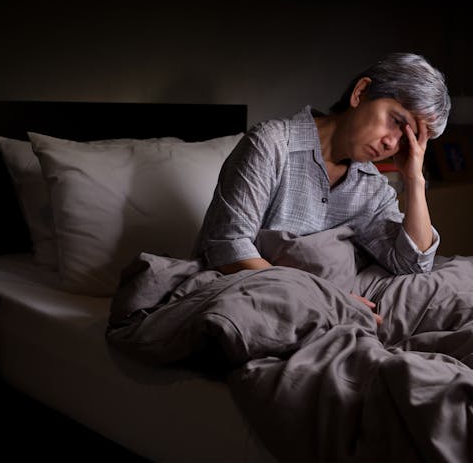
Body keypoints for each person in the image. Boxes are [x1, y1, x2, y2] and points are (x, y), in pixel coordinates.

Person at [193, 53, 451, 322]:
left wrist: (414, 180)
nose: (391, 144)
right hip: (248, 305)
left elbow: (411, 264)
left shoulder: (371, 185)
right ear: (360, 93)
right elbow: (227, 246)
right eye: (396, 122)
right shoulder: (271, 144)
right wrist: (323, 299)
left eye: (408, 140)